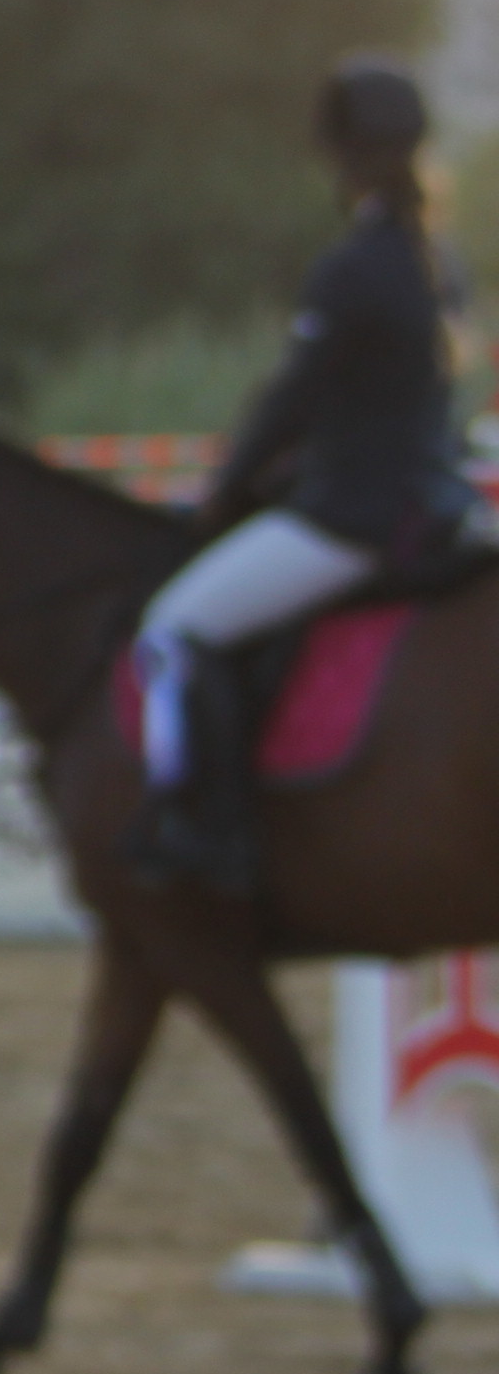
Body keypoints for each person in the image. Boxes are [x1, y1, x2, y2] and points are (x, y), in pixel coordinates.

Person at [127, 57, 472, 899]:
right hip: (435, 504)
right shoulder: (443, 262)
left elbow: (293, 401)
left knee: (175, 630)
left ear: (345, 160)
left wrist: (227, 489)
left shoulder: (352, 267)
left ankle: (209, 831)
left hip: (352, 518)